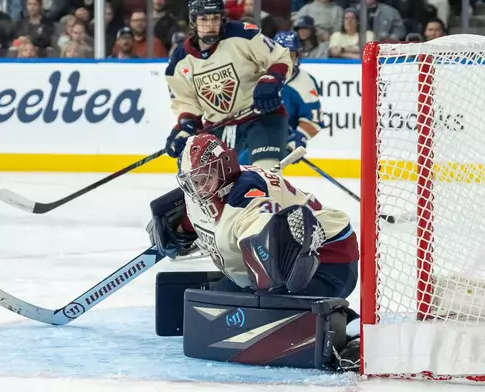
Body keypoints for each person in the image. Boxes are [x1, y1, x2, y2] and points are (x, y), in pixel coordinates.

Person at [148, 134, 359, 299]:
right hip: (285, 259)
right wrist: (181, 230)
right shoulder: (208, 191)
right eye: (193, 182)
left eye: (205, 179)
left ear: (225, 169)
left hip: (330, 262)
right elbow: (203, 212)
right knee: (215, 302)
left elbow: (263, 247)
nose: (199, 189)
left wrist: (263, 297)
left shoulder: (246, 198)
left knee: (260, 312)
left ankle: (338, 322)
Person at [165, 0, 293, 172]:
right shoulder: (179, 61)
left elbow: (280, 57)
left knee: (264, 177)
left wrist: (271, 79)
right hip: (218, 126)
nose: (210, 25)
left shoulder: (243, 34)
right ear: (193, 21)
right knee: (205, 184)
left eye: (215, 18)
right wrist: (186, 126)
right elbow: (185, 101)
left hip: (260, 117)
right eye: (204, 19)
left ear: (222, 19)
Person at [273, 30, 323, 157]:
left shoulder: (305, 82)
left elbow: (313, 119)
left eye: (291, 55)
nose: (286, 60)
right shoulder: (258, 75)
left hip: (280, 144)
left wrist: (298, 139)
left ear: (297, 56)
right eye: (282, 55)